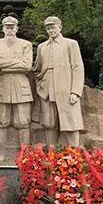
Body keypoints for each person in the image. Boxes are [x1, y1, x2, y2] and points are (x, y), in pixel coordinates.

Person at [33, 16, 84, 147]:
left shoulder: (70, 44)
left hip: (65, 87)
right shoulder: (42, 47)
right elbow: (37, 68)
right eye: (48, 28)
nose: (51, 30)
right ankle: (52, 153)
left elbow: (77, 68)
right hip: (47, 87)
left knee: (70, 121)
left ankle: (74, 153)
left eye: (53, 27)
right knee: (49, 122)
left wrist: (75, 91)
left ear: (60, 27)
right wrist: (40, 84)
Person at [0, 16, 33, 162]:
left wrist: (4, 65)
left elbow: (27, 66)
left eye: (12, 27)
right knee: (1, 122)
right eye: (7, 27)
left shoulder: (26, 45)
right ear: (2, 28)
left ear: (16, 28)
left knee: (23, 121)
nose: (9, 29)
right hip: (2, 85)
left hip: (21, 86)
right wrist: (16, 63)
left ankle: (24, 154)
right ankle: (0, 154)